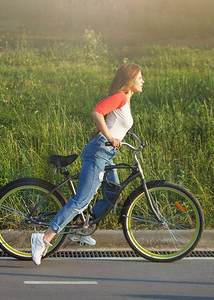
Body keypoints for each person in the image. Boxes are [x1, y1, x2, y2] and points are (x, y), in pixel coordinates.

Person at [31, 63, 144, 265]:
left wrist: (122, 135)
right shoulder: (120, 97)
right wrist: (109, 137)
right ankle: (43, 239)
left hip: (107, 154)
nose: (143, 81)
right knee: (81, 200)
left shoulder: (125, 100)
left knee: (113, 196)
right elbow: (97, 113)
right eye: (139, 78)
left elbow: (116, 123)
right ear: (129, 80)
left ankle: (82, 230)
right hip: (98, 152)